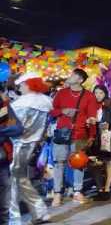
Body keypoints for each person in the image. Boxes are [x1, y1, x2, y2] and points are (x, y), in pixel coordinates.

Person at [49, 68, 98, 206]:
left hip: (80, 134)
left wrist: (92, 135)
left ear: (80, 80)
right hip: (62, 133)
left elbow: (92, 117)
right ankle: (57, 193)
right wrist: (63, 111)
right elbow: (52, 111)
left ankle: (77, 191)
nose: (69, 76)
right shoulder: (61, 93)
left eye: (73, 75)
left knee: (78, 164)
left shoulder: (89, 96)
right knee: (59, 163)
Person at [9, 73, 52, 224]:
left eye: (20, 85)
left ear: (28, 84)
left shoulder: (21, 103)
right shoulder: (46, 101)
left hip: (16, 145)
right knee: (20, 180)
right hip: (31, 145)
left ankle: (13, 220)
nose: (19, 88)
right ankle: (40, 212)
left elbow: (12, 126)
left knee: (12, 183)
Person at [89, 85, 111, 201]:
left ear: (105, 94)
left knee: (107, 163)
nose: (98, 95)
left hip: (106, 136)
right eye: (96, 93)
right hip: (94, 138)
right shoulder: (91, 105)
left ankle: (106, 189)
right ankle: (99, 189)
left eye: (100, 93)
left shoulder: (109, 105)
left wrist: (107, 124)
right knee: (94, 164)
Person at [0, 83, 24, 225]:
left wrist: (1, 131)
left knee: (4, 204)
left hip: (1, 159)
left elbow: (16, 128)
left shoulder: (3, 109)